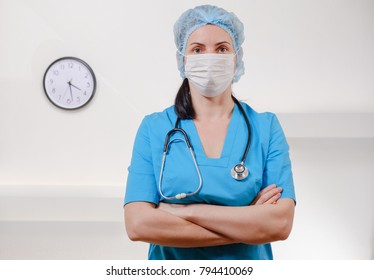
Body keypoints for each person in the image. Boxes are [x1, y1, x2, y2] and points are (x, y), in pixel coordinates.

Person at [124, 4, 296, 260]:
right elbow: (138, 225)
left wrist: (185, 211)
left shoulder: (265, 127)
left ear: (236, 56)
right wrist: (248, 222)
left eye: (222, 49)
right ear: (183, 58)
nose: (210, 57)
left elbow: (279, 225)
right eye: (197, 49)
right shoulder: (155, 128)